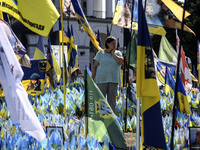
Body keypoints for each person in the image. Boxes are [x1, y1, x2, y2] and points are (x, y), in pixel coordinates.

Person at [92, 36, 123, 113]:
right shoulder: (100, 54)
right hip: (101, 80)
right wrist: (92, 79)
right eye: (113, 43)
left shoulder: (118, 53)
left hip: (113, 81)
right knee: (100, 100)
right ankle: (99, 117)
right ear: (108, 44)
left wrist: (113, 54)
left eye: (115, 43)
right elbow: (94, 67)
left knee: (112, 101)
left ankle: (111, 118)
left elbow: (120, 61)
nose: (115, 45)